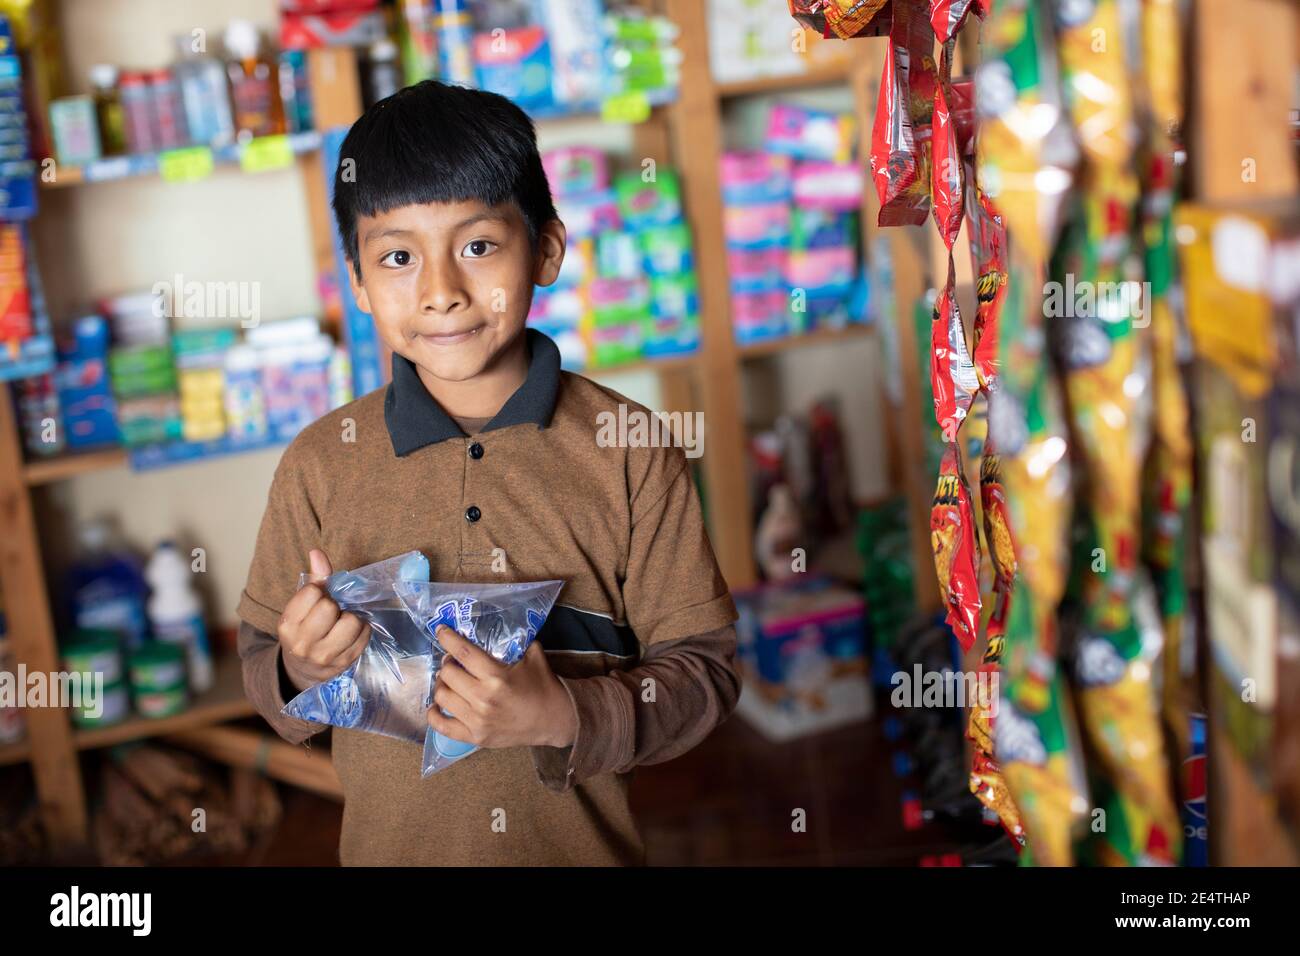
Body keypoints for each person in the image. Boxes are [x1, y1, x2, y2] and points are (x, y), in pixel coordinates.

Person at [236, 80, 741, 865]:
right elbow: (266, 675)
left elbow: (705, 676)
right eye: (399, 256)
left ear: (544, 249)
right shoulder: (319, 461)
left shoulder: (632, 448)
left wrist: (561, 714)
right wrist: (302, 667)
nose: (441, 292)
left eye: (477, 246)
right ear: (360, 283)